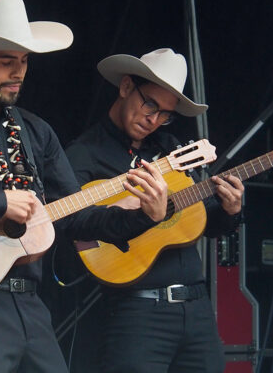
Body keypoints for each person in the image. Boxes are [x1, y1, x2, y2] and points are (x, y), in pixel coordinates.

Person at [0, 0, 168, 373]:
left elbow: (77, 216)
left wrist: (145, 218)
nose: (19, 72)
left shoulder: (36, 132)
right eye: (6, 61)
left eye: (24, 61)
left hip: (31, 305)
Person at [64, 48, 245, 373]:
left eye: (165, 114)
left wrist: (230, 211)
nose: (154, 119)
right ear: (126, 87)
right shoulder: (85, 154)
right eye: (150, 104)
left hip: (197, 310)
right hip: (137, 312)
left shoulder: (171, 148)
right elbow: (74, 225)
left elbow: (198, 218)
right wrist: (141, 215)